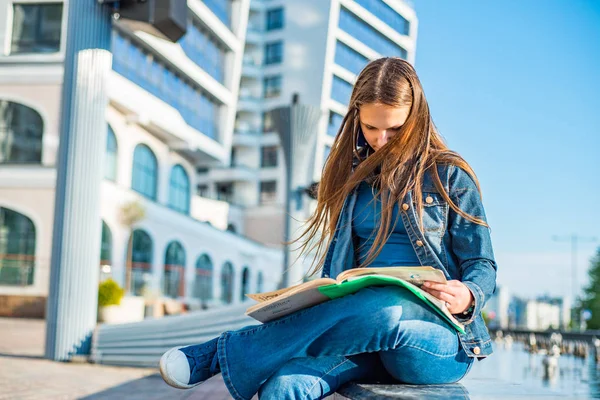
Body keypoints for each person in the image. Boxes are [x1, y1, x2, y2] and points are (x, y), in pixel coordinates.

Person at [158, 57, 497, 400]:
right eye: (370, 127)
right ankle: (232, 354)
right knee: (285, 385)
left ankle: (216, 354)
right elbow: (338, 274)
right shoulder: (355, 183)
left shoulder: (450, 176)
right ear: (356, 119)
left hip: (436, 343)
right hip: (361, 336)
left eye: (394, 129)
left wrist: (468, 295)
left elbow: (482, 264)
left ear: (416, 118)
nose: (381, 140)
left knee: (388, 304)